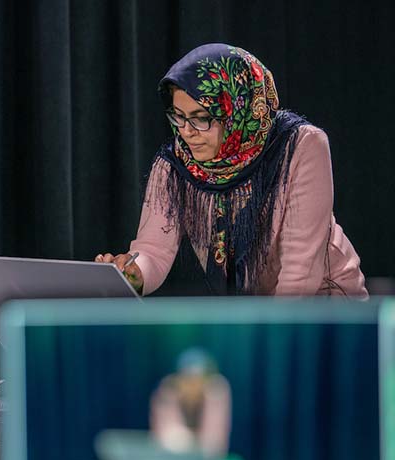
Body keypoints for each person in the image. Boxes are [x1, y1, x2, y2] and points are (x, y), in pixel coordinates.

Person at [95, 43, 367, 296]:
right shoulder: (175, 164)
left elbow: (300, 271)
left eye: (201, 118)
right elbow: (153, 250)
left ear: (237, 108)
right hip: (255, 314)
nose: (187, 132)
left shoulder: (300, 145)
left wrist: (271, 340)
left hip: (326, 306)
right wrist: (133, 274)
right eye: (178, 116)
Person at [149, 348, 231, 459]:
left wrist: (185, 440)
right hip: (172, 459)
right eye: (188, 380)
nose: (193, 385)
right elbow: (164, 436)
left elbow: (214, 440)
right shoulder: (168, 390)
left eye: (198, 380)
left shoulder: (216, 391)